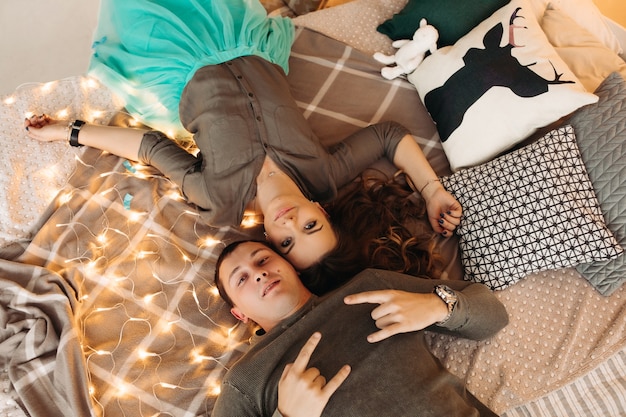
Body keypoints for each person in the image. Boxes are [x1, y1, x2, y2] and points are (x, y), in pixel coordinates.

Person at [24, 0, 461, 273]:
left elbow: (150, 148)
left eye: (287, 240)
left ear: (272, 243)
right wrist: (431, 190)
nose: (290, 222)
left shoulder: (220, 199)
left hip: (175, 58)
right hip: (236, 33)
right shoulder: (325, 174)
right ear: (323, 211)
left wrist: (69, 132)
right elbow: (389, 135)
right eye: (310, 226)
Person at [212, 240, 509, 417]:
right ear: (239, 314)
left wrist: (438, 306)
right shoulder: (244, 380)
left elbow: (494, 315)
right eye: (241, 279)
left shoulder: (370, 287)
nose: (260, 273)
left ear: (293, 266)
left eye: (263, 260)